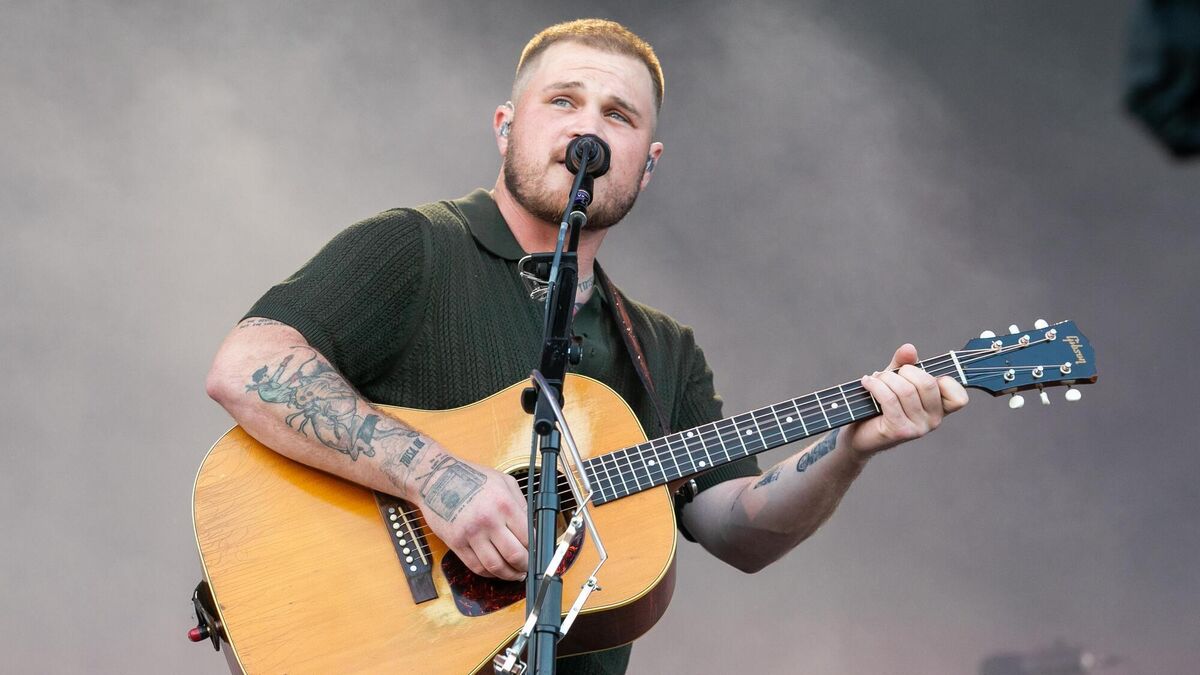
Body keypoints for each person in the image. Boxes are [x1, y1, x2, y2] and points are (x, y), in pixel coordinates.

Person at [205, 18, 969, 674]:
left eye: (618, 115)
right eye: (563, 101)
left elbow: (737, 527)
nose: (588, 130)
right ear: (506, 125)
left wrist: (849, 446)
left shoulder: (664, 350)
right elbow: (248, 365)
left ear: (648, 162)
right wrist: (437, 477)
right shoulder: (418, 246)